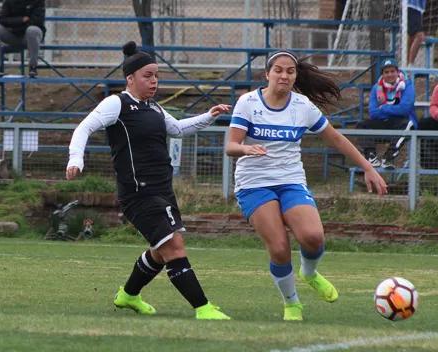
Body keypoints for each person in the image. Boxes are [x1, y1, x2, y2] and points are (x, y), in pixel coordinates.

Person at [66, 41, 231, 320]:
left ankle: (128, 295)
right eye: (147, 76)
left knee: (159, 250)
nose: (153, 81)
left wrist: (209, 115)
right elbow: (84, 128)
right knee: (174, 247)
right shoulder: (116, 104)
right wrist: (75, 159)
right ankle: (203, 308)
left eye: (156, 75)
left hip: (162, 190)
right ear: (130, 78)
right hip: (138, 192)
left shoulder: (153, 107)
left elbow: (177, 129)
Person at [225, 50, 388, 321]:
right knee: (279, 248)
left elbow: (335, 139)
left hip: (290, 182)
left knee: (313, 238)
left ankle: (309, 273)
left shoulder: (302, 106)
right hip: (254, 185)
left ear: (295, 76)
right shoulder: (248, 103)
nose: (284, 75)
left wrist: (368, 167)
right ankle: (292, 303)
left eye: (290, 71)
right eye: (278, 70)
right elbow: (230, 146)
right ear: (267, 74)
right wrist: (245, 149)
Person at [356, 58, 418, 169]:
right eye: (386, 72)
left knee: (408, 124)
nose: (390, 74)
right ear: (383, 74)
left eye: (392, 71)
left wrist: (384, 108)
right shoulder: (377, 88)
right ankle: (371, 158)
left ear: (397, 72)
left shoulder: (407, 86)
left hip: (400, 124)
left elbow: (404, 109)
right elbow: (373, 112)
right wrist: (394, 110)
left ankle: (388, 158)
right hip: (382, 123)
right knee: (362, 125)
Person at [0, 0, 46, 78]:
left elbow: (37, 21)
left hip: (30, 37)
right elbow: (2, 19)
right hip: (14, 34)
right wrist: (21, 20)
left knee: (32, 30)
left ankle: (33, 68)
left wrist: (14, 24)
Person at [407, 0, 427, 68]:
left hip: (417, 9)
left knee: (412, 36)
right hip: (412, 7)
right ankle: (410, 64)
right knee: (420, 35)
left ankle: (408, 63)